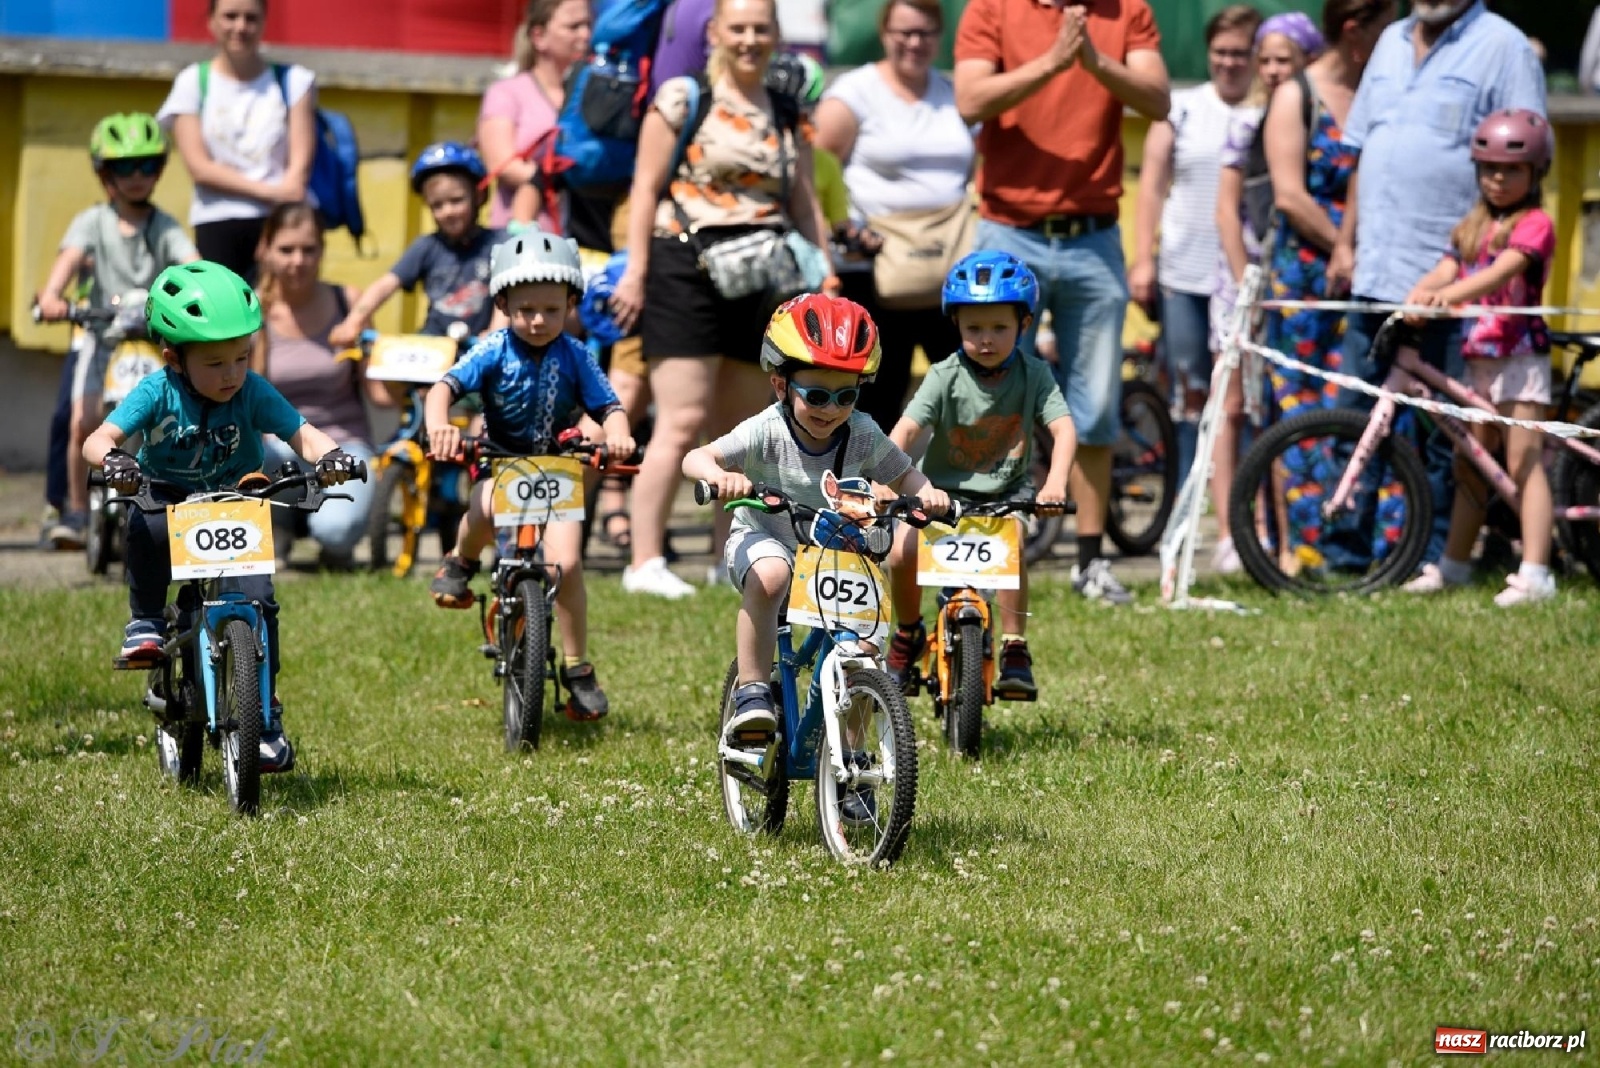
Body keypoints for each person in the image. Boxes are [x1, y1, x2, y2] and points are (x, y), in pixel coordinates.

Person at [82, 261, 361, 772]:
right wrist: (115, 461)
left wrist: (331, 456)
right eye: (215, 363)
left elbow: (300, 432)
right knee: (142, 525)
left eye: (241, 357)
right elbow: (97, 440)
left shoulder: (252, 390)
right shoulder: (155, 392)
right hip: (167, 497)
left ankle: (265, 718)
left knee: (258, 601)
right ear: (173, 357)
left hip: (235, 498)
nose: (232, 373)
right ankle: (145, 619)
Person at [610, 0, 840, 600]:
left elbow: (805, 199)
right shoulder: (683, 99)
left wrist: (828, 273)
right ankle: (644, 560)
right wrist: (634, 271)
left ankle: (727, 554)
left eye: (761, 28)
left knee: (744, 430)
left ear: (776, 35)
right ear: (715, 32)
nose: (749, 39)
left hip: (761, 276)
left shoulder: (788, 109)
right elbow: (644, 187)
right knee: (681, 420)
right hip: (682, 265)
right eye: (738, 28)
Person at [953, 0, 1170, 605]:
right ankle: (982, 553)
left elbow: (1156, 99)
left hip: (1095, 238)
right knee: (988, 400)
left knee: (1095, 410)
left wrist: (1095, 61)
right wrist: (1053, 62)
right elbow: (971, 101)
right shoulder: (990, 9)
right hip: (1009, 232)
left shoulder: (1128, 11)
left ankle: (1090, 563)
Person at [1328, 0, 1546, 584]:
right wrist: (1345, 244)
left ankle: (1438, 562)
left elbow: (1526, 161)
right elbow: (1364, 151)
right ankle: (1347, 560)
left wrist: (1472, 278)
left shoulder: (1505, 47)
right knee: (1355, 420)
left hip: (1454, 288)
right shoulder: (1391, 42)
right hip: (1376, 277)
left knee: (1450, 440)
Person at [681, 294, 947, 750]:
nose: (831, 409)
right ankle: (751, 692)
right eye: (817, 396)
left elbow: (905, 473)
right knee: (771, 575)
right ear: (781, 385)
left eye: (846, 395)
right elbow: (696, 456)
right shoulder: (765, 429)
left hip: (835, 554)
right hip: (766, 538)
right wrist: (720, 477)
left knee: (863, 651)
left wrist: (927, 493)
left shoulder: (862, 432)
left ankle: (856, 763)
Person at [424, 230, 633, 722]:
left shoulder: (578, 355)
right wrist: (439, 427)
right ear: (502, 304)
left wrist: (618, 434)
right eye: (524, 310)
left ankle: (579, 668)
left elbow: (610, 406)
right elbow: (443, 388)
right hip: (499, 458)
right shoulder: (492, 349)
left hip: (558, 467)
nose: (538, 321)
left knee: (569, 564)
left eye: (551, 310)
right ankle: (460, 560)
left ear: (571, 304)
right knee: (482, 507)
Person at [883, 252, 1074, 698]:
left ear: (1024, 325)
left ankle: (1014, 646)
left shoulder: (1034, 375)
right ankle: (908, 633)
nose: (986, 339)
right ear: (957, 327)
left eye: (999, 328)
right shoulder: (944, 375)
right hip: (940, 496)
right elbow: (907, 429)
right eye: (974, 329)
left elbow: (1063, 429)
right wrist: (885, 475)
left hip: (1007, 493)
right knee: (899, 551)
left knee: (1015, 547)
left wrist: (1056, 482)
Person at [1399, 110, 1557, 606]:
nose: (1498, 178)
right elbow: (1445, 271)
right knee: (1473, 463)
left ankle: (1537, 573)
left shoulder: (1536, 224)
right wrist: (1417, 296)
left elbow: (1496, 275)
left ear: (1535, 172)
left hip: (1521, 360)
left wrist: (1446, 298)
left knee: (1523, 461)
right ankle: (1455, 565)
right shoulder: (1472, 226)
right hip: (1479, 358)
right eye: (1488, 168)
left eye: (1511, 169)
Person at [1258, 0, 1393, 573]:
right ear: (1354, 29)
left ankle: (1376, 543)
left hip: (1374, 271)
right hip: (1309, 281)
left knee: (1372, 406)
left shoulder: (1383, 88)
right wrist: (1349, 246)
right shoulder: (1297, 95)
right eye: (1388, 25)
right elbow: (1289, 195)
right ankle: (1308, 547)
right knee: (1302, 410)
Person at [34, 113, 200, 550]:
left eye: (146, 166)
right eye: (125, 167)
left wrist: (201, 289)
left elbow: (189, 260)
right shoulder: (92, 222)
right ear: (105, 172)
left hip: (150, 341)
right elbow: (69, 260)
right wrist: (53, 295)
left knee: (159, 422)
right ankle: (73, 508)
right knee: (83, 422)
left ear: (160, 170)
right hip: (102, 340)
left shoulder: (163, 226)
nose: (136, 177)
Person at [813, 0, 973, 433]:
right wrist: (844, 229)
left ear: (940, 37)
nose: (914, 43)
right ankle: (869, 492)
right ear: (884, 33)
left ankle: (951, 493)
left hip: (948, 269)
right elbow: (815, 176)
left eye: (924, 33)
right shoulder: (855, 94)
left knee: (964, 393)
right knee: (879, 395)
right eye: (904, 32)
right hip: (876, 270)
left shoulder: (953, 92)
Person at [1209, 12, 1324, 573]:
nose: (1275, 71)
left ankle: (1290, 545)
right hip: (1246, 287)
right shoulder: (1246, 124)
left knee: (1283, 415)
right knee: (1236, 410)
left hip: (1295, 289)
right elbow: (1227, 213)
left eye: (1287, 61)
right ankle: (1244, 532)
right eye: (1268, 60)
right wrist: (1244, 284)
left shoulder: (1317, 120)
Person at [1131, 3, 1261, 482]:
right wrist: (1142, 259)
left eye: (1240, 52)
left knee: (1244, 392)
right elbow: (1151, 186)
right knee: (1188, 391)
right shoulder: (1180, 108)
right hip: (1184, 273)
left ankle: (1243, 498)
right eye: (1220, 51)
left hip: (1245, 277)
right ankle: (1186, 492)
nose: (1230, 62)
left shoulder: (1268, 110)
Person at [254, 203, 386, 569]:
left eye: (308, 249)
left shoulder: (349, 301)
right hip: (277, 449)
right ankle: (278, 526)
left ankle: (322, 528)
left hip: (344, 443)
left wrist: (415, 375)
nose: (298, 260)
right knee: (254, 453)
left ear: (322, 251)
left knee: (337, 534)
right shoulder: (251, 309)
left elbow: (378, 392)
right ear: (265, 249)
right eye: (286, 249)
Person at [157, 0, 316, 279]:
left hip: (283, 227)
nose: (240, 27)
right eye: (230, 16)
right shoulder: (192, 82)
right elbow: (200, 169)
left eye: (250, 18)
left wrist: (281, 200)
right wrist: (272, 192)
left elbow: (298, 172)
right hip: (217, 223)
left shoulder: (294, 81)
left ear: (264, 21)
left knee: (280, 317)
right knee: (223, 317)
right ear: (211, 20)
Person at [330, 143, 508, 348]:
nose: (448, 211)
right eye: (437, 205)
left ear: (479, 196)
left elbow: (508, 294)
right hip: (435, 348)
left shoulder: (500, 244)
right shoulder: (427, 246)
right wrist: (353, 322)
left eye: (457, 200)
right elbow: (385, 285)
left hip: (482, 349)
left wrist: (496, 331)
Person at [477, 0, 594, 234]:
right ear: (539, 37)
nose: (586, 35)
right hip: (522, 242)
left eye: (589, 25)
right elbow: (504, 165)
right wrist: (568, 179)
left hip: (585, 246)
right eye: (574, 27)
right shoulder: (507, 93)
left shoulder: (597, 94)